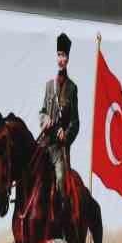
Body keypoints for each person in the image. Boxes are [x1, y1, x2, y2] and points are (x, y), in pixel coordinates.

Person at [38, 32, 80, 221]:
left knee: (62, 179)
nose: (61, 59)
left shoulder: (72, 88)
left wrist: (67, 133)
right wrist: (44, 118)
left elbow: (76, 122)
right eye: (59, 54)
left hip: (59, 148)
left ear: (68, 59)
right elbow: (42, 110)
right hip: (44, 142)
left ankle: (63, 219)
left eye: (64, 55)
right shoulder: (49, 86)